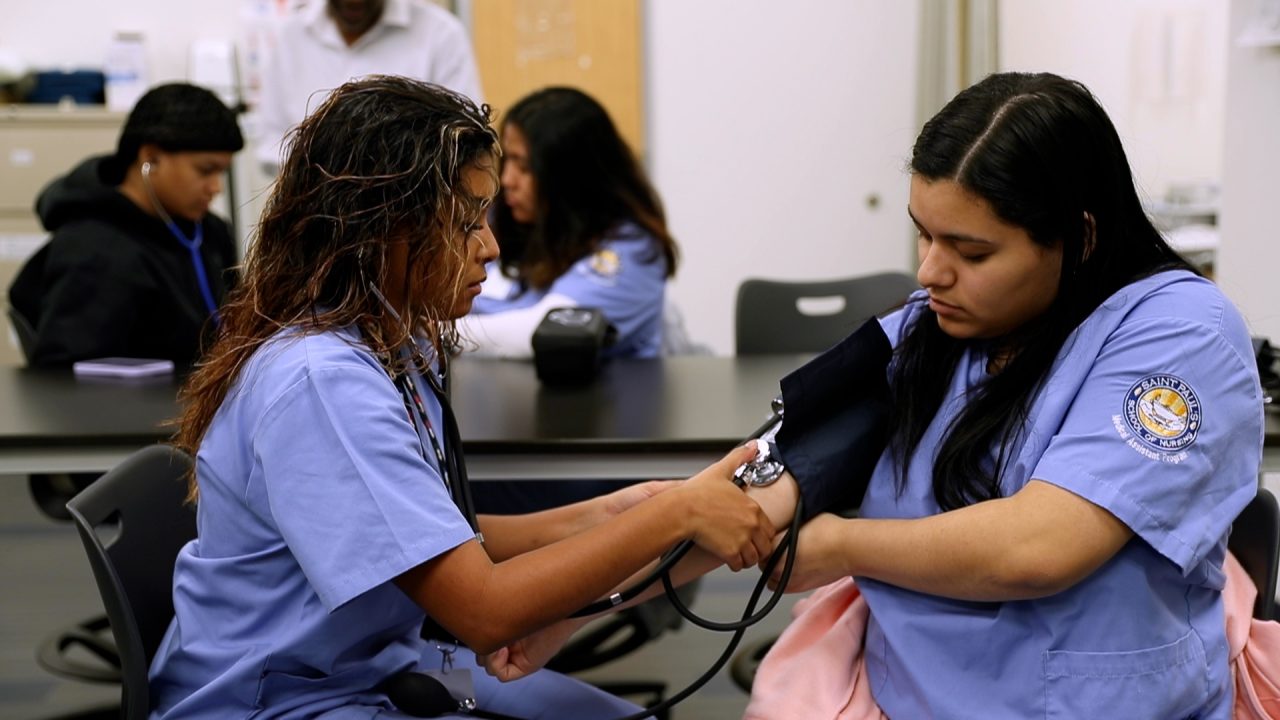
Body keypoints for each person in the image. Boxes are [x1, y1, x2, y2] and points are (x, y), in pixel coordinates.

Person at [147, 75, 777, 719]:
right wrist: (672, 519)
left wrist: (611, 512)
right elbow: (483, 611)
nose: (491, 247)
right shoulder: (322, 382)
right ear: (381, 230)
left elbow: (436, 540)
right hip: (280, 698)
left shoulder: (393, 343)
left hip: (369, 665)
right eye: (466, 222)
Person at [744, 72, 1263, 718]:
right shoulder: (930, 326)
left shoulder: (1181, 333)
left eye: (971, 251)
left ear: (1082, 239)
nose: (930, 272)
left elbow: (1039, 547)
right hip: (903, 694)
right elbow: (778, 473)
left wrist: (844, 547)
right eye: (925, 235)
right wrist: (672, 521)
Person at [9, 82, 242, 367]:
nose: (216, 187)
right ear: (151, 158)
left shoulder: (210, 232)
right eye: (205, 170)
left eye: (222, 172)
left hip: (206, 401)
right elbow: (65, 378)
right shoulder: (92, 249)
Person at [461, 86, 677, 360]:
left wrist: (440, 331)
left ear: (570, 178)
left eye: (524, 168)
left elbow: (543, 332)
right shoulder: (518, 220)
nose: (507, 180)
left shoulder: (633, 250)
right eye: (507, 162)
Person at [255, 0, 482, 174]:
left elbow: (465, 140)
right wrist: (320, 177)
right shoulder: (292, 36)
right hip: (311, 216)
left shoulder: (441, 35)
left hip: (409, 216)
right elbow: (270, 142)